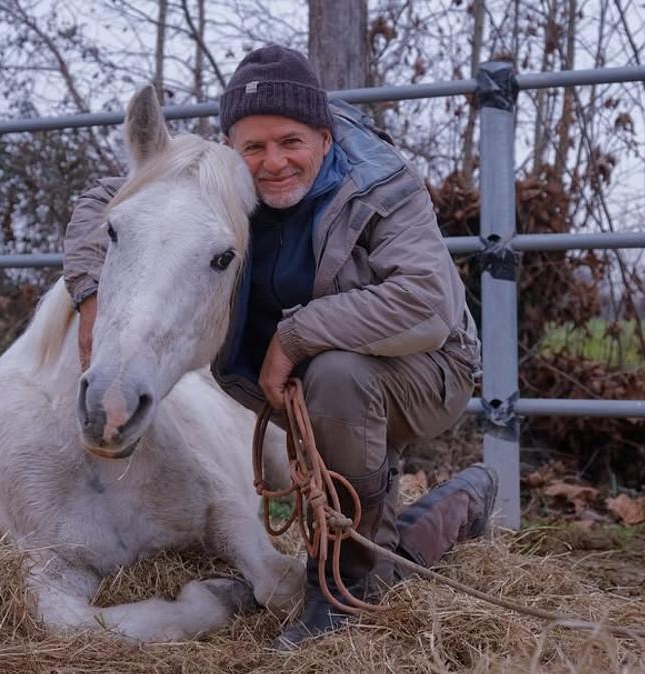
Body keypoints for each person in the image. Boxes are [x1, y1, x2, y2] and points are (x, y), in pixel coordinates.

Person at [63, 44, 498, 649]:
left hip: (428, 363)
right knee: (343, 406)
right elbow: (106, 202)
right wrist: (89, 299)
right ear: (233, 151)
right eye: (254, 147)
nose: (273, 163)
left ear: (323, 135)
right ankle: (453, 508)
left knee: (339, 378)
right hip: (325, 376)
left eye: (290, 141)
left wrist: (293, 338)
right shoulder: (229, 181)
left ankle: (337, 598)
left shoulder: (379, 184)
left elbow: (426, 303)